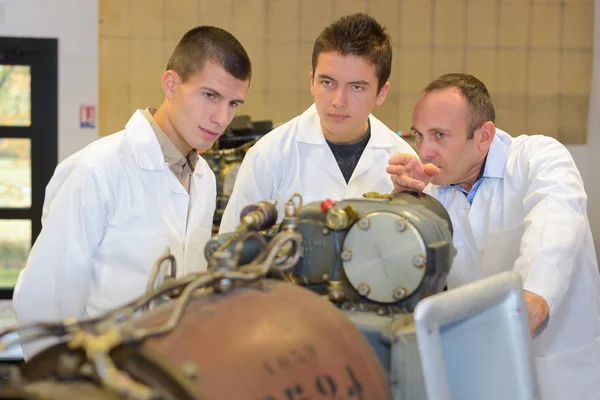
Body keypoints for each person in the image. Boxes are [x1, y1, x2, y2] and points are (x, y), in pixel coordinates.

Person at [13, 26, 252, 359]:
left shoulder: (205, 179)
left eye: (233, 103)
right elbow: (45, 300)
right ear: (171, 84)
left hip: (169, 374)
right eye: (210, 96)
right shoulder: (97, 169)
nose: (221, 118)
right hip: (101, 377)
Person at [387, 73, 600, 399]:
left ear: (484, 136)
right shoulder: (436, 190)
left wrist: (533, 300)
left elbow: (556, 224)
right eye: (420, 135)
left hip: (558, 371)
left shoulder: (539, 158)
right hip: (480, 369)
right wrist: (408, 205)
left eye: (440, 135)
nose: (425, 151)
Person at [218, 13, 415, 232]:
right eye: (328, 82)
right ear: (312, 81)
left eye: (356, 87)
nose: (338, 101)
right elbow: (231, 248)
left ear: (381, 93)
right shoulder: (268, 155)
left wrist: (411, 199)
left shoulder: (403, 163)